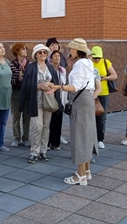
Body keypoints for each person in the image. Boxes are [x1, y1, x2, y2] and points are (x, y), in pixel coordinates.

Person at [53, 38, 97, 185]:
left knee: (79, 136)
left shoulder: (79, 64)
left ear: (77, 51)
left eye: (71, 48)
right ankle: (87, 171)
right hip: (88, 100)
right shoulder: (88, 62)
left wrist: (59, 87)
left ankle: (80, 175)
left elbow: (75, 86)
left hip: (80, 101)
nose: (69, 50)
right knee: (87, 134)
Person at [19, 44, 61, 164]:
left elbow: (56, 83)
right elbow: (26, 85)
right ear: (36, 55)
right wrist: (38, 86)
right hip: (35, 100)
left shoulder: (50, 68)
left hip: (48, 100)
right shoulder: (31, 68)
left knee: (46, 126)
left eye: (44, 52)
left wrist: (50, 85)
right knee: (37, 126)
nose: (43, 54)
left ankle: (43, 151)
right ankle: (34, 152)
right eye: (40, 52)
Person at [90, 46, 118, 149]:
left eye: (98, 58)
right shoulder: (89, 62)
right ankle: (91, 138)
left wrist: (105, 78)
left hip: (103, 93)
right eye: (95, 58)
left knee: (101, 117)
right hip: (91, 93)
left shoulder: (106, 62)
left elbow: (115, 75)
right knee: (91, 117)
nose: (97, 60)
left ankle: (100, 139)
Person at [9, 43, 30, 147]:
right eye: (23, 49)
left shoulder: (29, 64)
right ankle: (17, 138)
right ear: (17, 51)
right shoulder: (11, 64)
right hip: (16, 92)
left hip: (26, 92)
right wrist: (18, 79)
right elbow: (9, 80)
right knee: (16, 116)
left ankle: (26, 138)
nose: (25, 50)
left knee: (27, 116)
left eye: (26, 48)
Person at [48, 50, 66, 151]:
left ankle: (56, 143)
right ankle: (48, 142)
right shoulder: (48, 68)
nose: (57, 58)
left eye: (58, 56)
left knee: (58, 120)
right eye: (55, 56)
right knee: (50, 122)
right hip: (51, 97)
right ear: (51, 58)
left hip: (61, 97)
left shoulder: (62, 70)